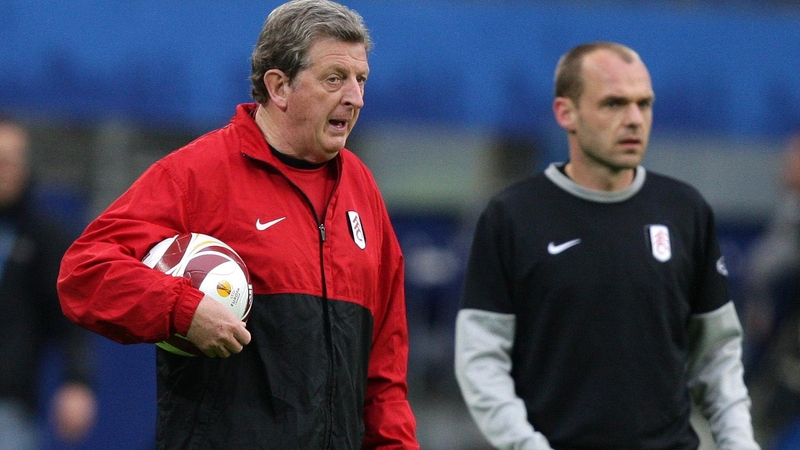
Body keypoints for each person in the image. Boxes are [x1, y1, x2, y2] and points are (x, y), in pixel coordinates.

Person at [57, 1, 419, 448]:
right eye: (334, 79)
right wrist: (181, 311)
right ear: (279, 86)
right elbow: (84, 272)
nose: (356, 97)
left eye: (360, 79)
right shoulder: (198, 174)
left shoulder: (362, 191)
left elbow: (384, 371)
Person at [454, 41, 760, 450]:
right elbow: (481, 359)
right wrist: (526, 445)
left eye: (644, 104)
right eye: (614, 104)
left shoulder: (685, 210)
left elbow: (717, 357)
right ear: (566, 113)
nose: (634, 119)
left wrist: (739, 443)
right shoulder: (512, 216)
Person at [0, 118, 97, 449]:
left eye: (9, 161)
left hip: (9, 406)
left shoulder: (45, 238)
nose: (3, 170)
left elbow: (73, 317)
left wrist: (77, 381)